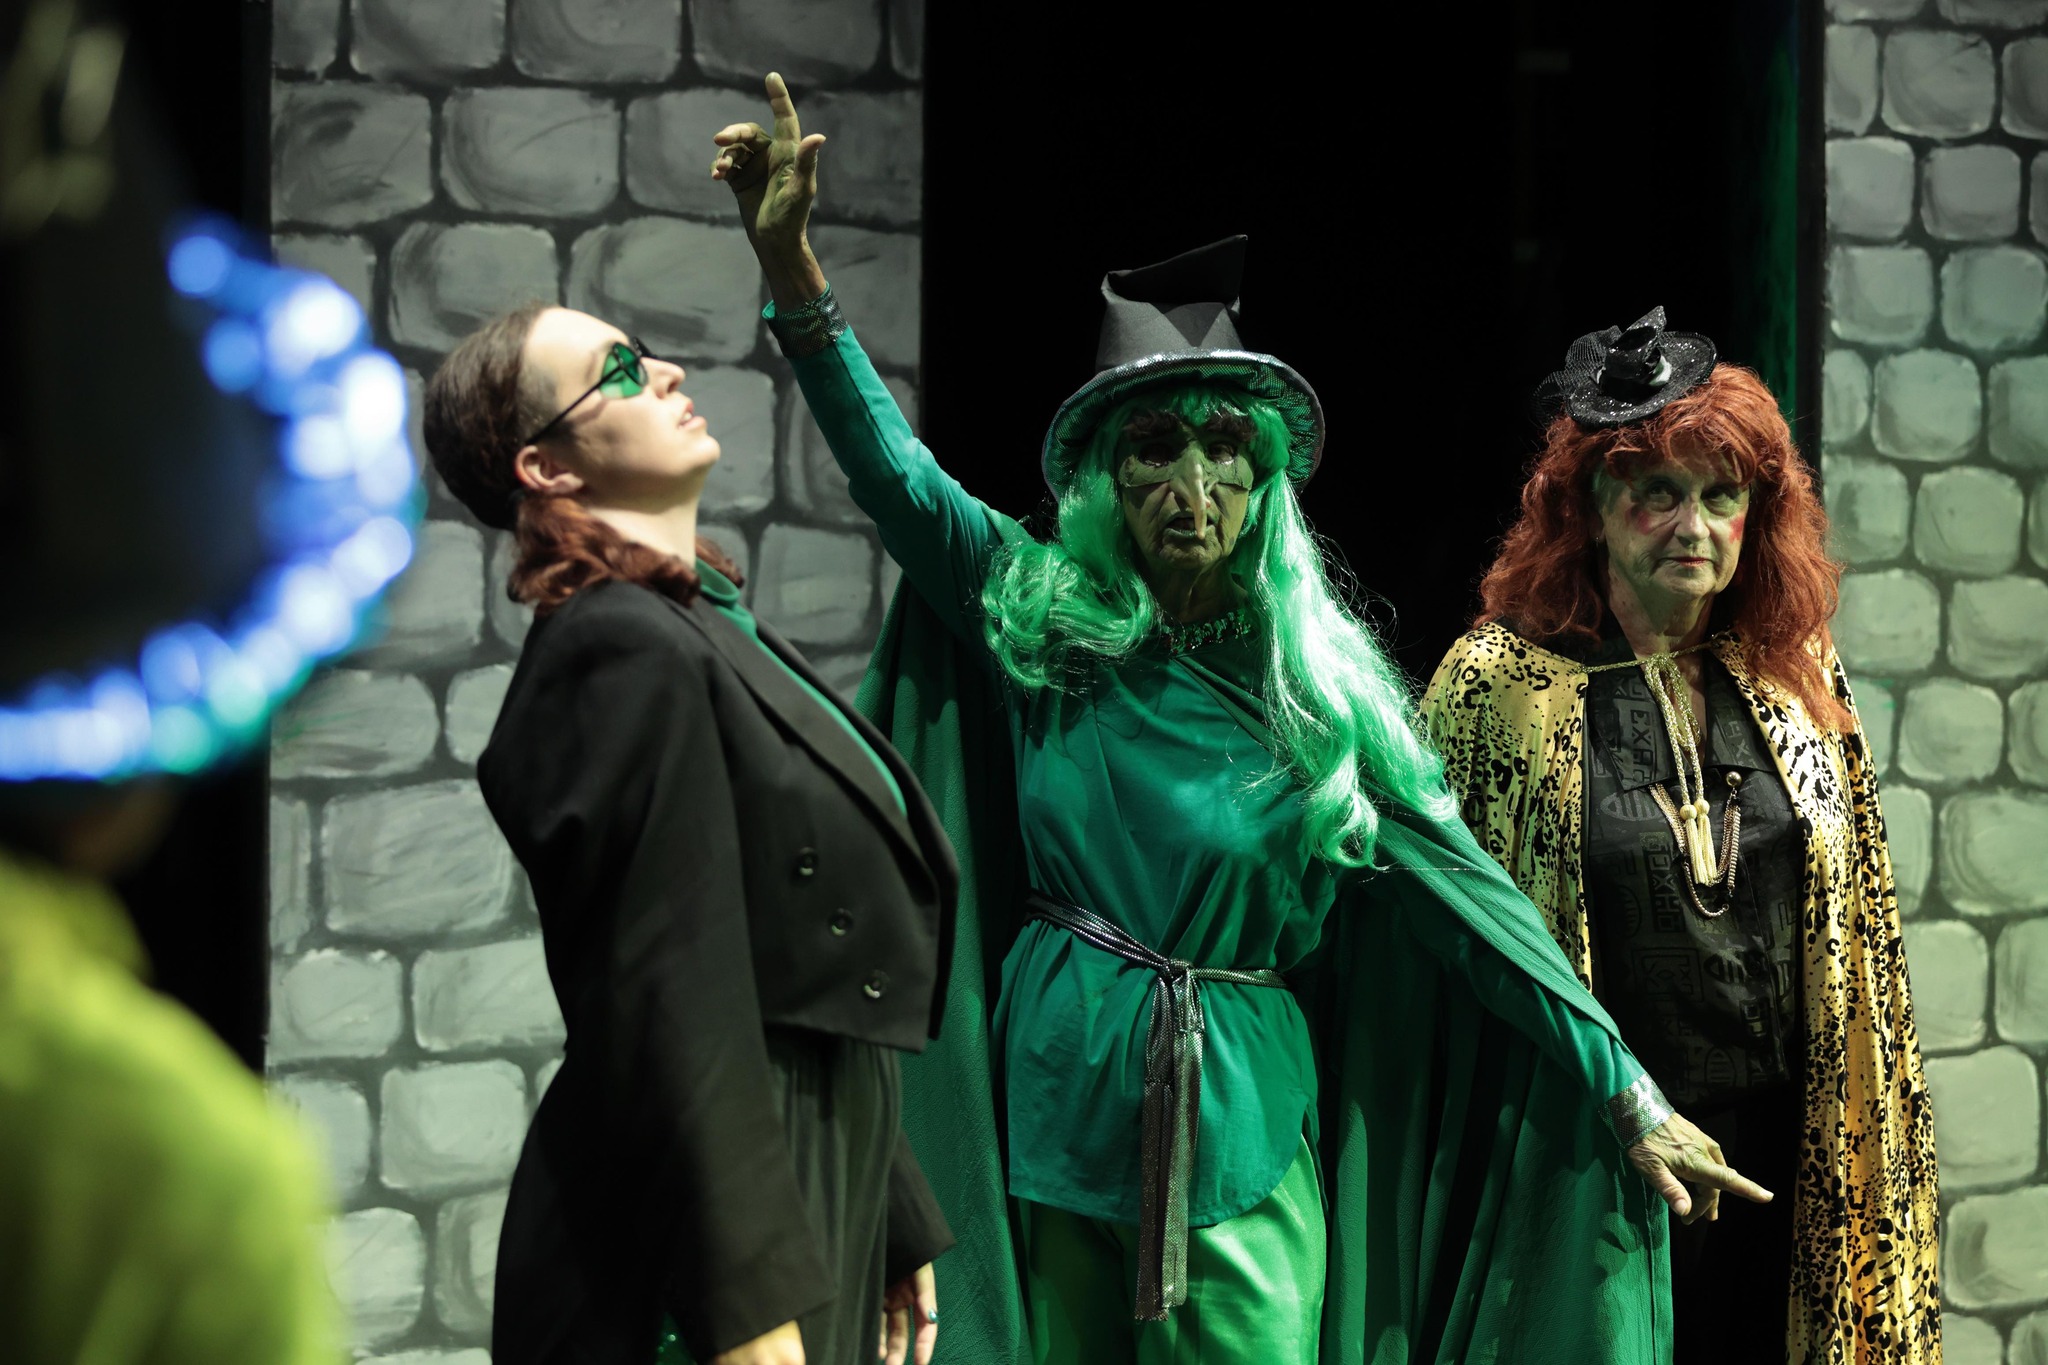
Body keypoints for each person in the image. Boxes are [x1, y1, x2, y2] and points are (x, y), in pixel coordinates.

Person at [711, 76, 1767, 1363]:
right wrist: (794, 275)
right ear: (1106, 475)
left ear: (1267, 483)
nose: (1191, 483)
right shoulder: (1044, 621)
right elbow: (895, 478)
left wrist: (1622, 1087)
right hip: (1060, 1107)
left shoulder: (1318, 697)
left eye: (1226, 449)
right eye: (1154, 446)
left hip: (1237, 1120)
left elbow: (1476, 907)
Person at [423, 292, 958, 1365]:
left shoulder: (700, 627)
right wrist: (742, 1299)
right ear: (544, 467)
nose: (666, 372)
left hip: (800, 1160)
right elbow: (669, 990)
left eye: (649, 354)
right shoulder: (613, 650)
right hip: (706, 1209)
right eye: (619, 372)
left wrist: (888, 1198)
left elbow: (795, 956)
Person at [1419, 310, 1940, 1363]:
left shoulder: (1791, 672)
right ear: (1590, 508)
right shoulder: (1499, 688)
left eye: (1720, 495)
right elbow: (1449, 950)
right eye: (1655, 493)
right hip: (1593, 1144)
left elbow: (1859, 925)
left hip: (1784, 1143)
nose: (1691, 526)